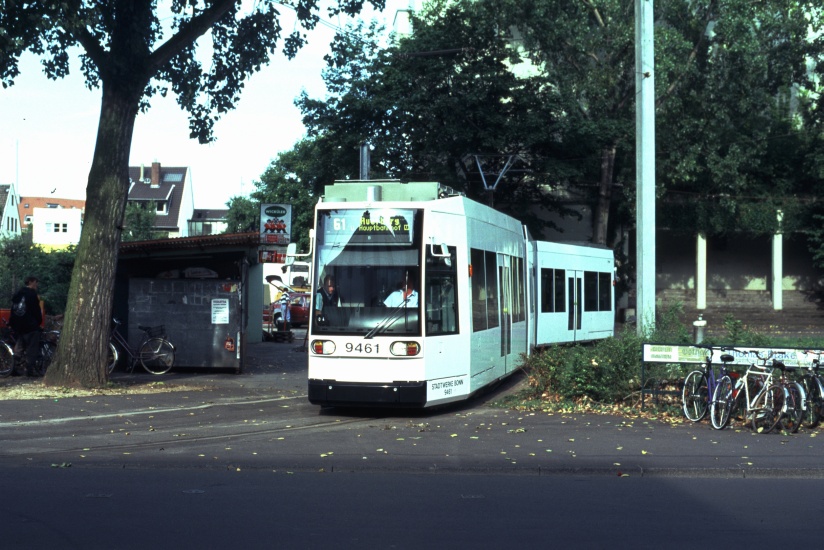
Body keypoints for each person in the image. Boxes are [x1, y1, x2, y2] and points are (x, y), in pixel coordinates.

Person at [9, 276, 43, 377]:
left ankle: (13, 368)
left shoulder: (18, 293)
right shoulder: (32, 294)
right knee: (32, 348)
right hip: (30, 325)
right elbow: (36, 310)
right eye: (36, 282)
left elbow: (13, 309)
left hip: (19, 325)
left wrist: (13, 324)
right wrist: (38, 322)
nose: (37, 285)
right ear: (31, 282)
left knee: (19, 347)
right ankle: (29, 371)